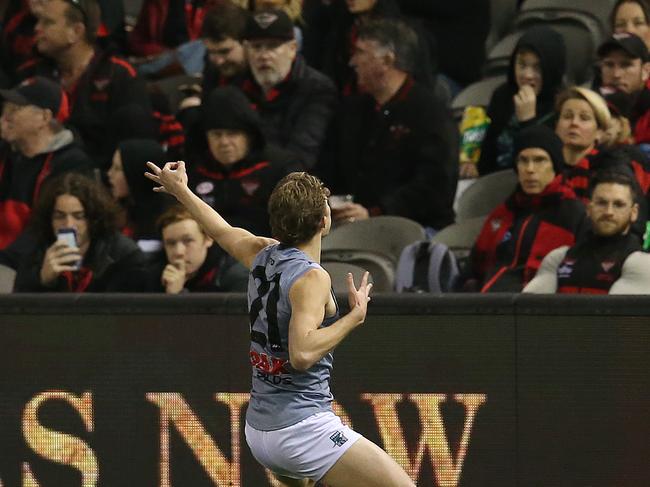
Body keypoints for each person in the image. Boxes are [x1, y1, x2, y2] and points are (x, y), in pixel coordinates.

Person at [144, 163, 415, 485]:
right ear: (324, 222)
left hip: (260, 431)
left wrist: (181, 191)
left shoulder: (261, 253)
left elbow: (218, 230)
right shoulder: (313, 277)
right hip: (301, 430)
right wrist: (352, 318)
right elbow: (302, 354)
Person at [322, 17, 457, 231]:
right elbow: (327, 167)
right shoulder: (350, 110)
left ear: (387, 61)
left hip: (415, 228)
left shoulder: (431, 113)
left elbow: (434, 186)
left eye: (360, 53)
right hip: (351, 223)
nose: (352, 62)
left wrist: (377, 212)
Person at [17, 0, 152, 168]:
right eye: (38, 21)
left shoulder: (121, 75)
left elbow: (132, 151)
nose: (37, 28)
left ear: (76, 31)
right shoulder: (32, 74)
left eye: (48, 22)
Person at [465, 125, 586, 293]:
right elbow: (473, 270)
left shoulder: (575, 215)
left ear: (555, 165)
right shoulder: (502, 213)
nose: (530, 169)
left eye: (539, 160)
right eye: (523, 160)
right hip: (490, 306)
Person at [0, 76, 94, 250]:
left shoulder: (71, 164)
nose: (5, 118)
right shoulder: (7, 152)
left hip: (34, 262)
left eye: (15, 109)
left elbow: (47, 231)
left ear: (44, 117)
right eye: (5, 110)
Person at [187, 85, 295, 236]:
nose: (224, 142)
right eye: (216, 134)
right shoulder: (193, 171)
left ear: (249, 136)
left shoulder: (280, 169)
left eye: (232, 134)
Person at [13, 172, 148, 292]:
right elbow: (17, 309)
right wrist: (42, 279)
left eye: (78, 216)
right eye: (59, 216)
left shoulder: (123, 255)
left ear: (93, 219)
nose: (69, 225)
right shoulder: (35, 251)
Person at [524, 170, 650, 294]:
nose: (608, 212)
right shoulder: (559, 258)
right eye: (601, 203)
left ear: (634, 213)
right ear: (589, 208)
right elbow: (529, 308)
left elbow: (614, 313)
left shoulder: (641, 263)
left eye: (618, 204)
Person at [240, 9, 337, 169]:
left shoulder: (317, 89)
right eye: (256, 47)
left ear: (292, 48)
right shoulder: (239, 87)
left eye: (273, 46)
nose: (264, 55)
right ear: (246, 50)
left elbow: (302, 156)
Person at [476, 26, 566, 177]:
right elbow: (487, 155)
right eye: (522, 65)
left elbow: (545, 167)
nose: (527, 75)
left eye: (537, 68)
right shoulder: (503, 95)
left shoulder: (562, 105)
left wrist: (527, 121)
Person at [147, 204, 248, 293]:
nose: (179, 252)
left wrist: (177, 295)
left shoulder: (235, 276)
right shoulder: (154, 276)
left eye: (188, 241)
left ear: (208, 239)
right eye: (171, 243)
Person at [107, 138, 169, 251]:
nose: (109, 174)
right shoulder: (118, 211)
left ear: (136, 174)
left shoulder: (163, 221)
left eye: (117, 169)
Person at [596, 32, 650, 145]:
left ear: (646, 71)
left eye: (626, 65)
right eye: (609, 65)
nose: (616, 74)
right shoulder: (585, 106)